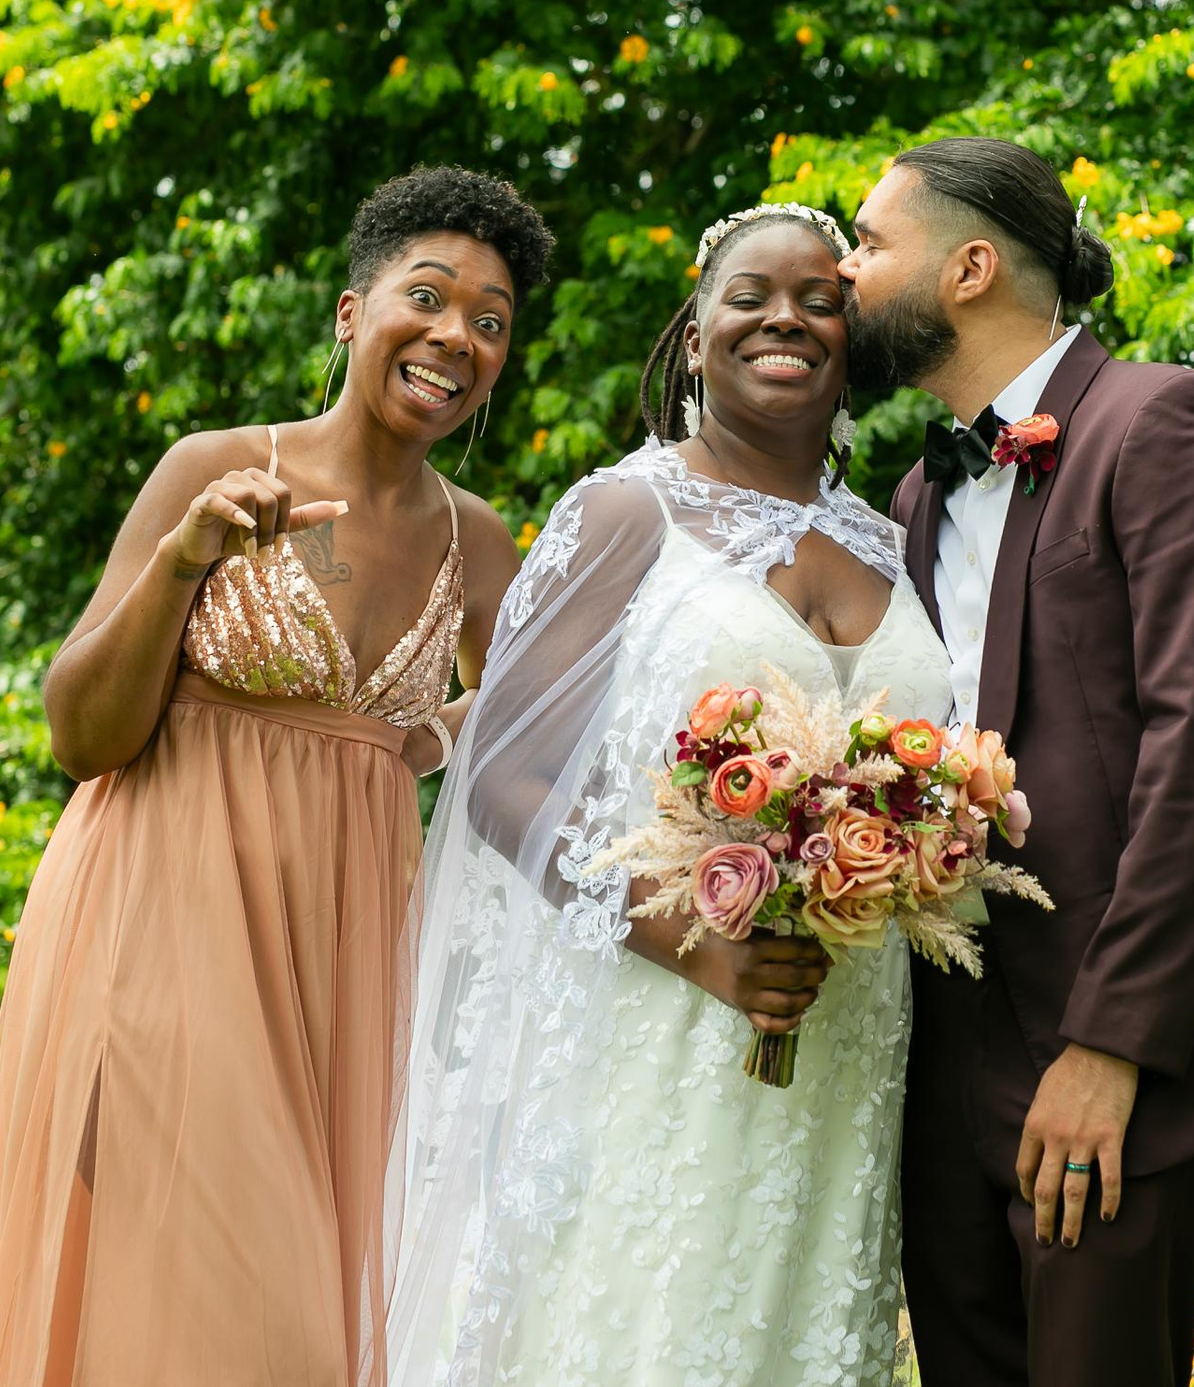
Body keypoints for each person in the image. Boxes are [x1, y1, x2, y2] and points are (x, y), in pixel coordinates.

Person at [0, 166, 548, 1387]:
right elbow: (80, 736)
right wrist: (182, 562)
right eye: (426, 298)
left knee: (278, 1310)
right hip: (162, 915)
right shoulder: (211, 466)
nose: (455, 337)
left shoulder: (476, 539)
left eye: (490, 321)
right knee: (257, 1315)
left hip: (346, 952)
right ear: (349, 312)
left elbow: (532, 732)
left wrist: (419, 738)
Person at [382, 202, 952, 1385]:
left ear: (854, 339)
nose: (786, 316)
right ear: (693, 337)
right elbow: (501, 772)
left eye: (822, 298)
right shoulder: (623, 510)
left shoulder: (897, 540)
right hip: (660, 1005)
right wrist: (697, 944)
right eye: (750, 295)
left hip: (847, 1022)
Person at [837, 137, 1194, 1387]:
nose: (842, 270)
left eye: (869, 242)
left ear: (970, 268)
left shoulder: (1160, 422)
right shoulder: (913, 498)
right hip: (947, 1061)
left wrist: (1112, 1049)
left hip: (1113, 1056)